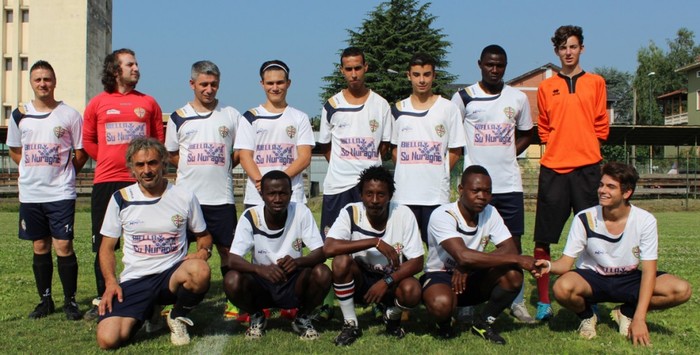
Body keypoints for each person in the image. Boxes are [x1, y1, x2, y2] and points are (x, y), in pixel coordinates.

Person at [535, 162, 691, 345]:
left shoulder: (645, 220)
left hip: (629, 278)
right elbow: (565, 263)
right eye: (601, 185)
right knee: (561, 288)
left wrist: (639, 318)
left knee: (681, 290)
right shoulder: (584, 218)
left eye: (611, 186)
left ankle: (626, 312)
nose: (602, 190)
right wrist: (549, 266)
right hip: (593, 278)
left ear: (627, 193)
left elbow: (649, 271)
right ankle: (587, 316)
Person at [95, 137, 212, 349]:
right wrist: (111, 283)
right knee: (108, 339)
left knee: (200, 270)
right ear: (132, 167)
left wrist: (203, 252)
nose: (147, 170)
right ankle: (150, 311)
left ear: (163, 163)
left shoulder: (183, 196)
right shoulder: (120, 198)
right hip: (136, 279)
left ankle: (177, 315)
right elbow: (106, 248)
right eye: (140, 164)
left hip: (171, 276)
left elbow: (204, 236)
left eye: (153, 163)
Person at [451, 44, 535, 323]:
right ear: (480, 64)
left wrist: (510, 151)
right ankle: (465, 301)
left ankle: (517, 301)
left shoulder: (518, 98)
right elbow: (453, 137)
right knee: (469, 241)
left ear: (505, 67)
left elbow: (527, 134)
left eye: (500, 65)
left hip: (508, 184)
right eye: (490, 65)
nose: (495, 70)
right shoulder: (463, 98)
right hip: (476, 187)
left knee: (513, 243)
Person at [533, 25, 609, 320]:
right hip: (553, 170)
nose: (568, 52)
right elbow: (544, 129)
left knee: (594, 236)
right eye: (563, 48)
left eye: (573, 47)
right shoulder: (545, 87)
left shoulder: (596, 83)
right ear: (556, 52)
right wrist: (560, 147)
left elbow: (601, 123)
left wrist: (585, 146)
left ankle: (592, 295)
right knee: (544, 237)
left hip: (588, 169)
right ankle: (542, 301)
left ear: (582, 49)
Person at [83, 48, 165, 320]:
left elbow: (157, 141)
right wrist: (110, 159)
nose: (136, 68)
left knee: (145, 237)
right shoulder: (97, 103)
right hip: (106, 181)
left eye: (137, 64)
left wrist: (135, 167)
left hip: (139, 182)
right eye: (130, 64)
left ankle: (152, 296)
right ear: (115, 70)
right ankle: (102, 298)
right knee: (105, 243)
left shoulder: (150, 103)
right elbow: (89, 142)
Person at [6, 60, 88, 320]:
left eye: (47, 79)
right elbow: (15, 150)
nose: (43, 84)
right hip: (31, 193)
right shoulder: (19, 115)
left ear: (55, 82)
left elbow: (81, 152)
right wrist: (32, 168)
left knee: (63, 246)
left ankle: (70, 302)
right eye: (38, 79)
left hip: (60, 193)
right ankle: (45, 301)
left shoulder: (70, 115)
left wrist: (64, 172)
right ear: (31, 82)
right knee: (39, 246)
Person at [421, 165, 538, 345]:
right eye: (476, 190)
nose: (482, 197)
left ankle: (483, 322)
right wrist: (518, 259)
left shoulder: (490, 212)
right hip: (441, 275)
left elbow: (509, 248)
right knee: (441, 304)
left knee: (513, 275)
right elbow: (463, 256)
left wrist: (469, 265)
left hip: (471, 276)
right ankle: (444, 324)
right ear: (461, 190)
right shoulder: (443, 215)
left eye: (487, 192)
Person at [317, 46, 393, 318]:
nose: (353, 74)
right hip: (338, 186)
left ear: (366, 67)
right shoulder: (332, 105)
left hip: (368, 190)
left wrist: (363, 172)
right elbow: (326, 147)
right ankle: (326, 302)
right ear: (342, 70)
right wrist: (343, 167)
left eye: (357, 68)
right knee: (331, 246)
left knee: (372, 243)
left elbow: (383, 146)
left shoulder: (381, 105)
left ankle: (379, 298)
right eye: (348, 69)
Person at [165, 60, 241, 319]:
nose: (209, 89)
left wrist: (221, 166)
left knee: (228, 251)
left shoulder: (231, 115)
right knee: (178, 250)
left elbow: (239, 152)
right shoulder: (178, 117)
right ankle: (170, 298)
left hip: (221, 197)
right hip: (187, 199)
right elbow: (173, 154)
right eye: (204, 84)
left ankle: (234, 300)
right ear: (192, 84)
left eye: (214, 84)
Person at [224, 170, 331, 341]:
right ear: (262, 194)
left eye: (283, 193)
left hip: (293, 282)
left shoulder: (301, 211)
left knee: (322, 272)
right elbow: (233, 259)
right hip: (262, 283)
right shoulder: (250, 216)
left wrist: (297, 262)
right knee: (232, 279)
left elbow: (320, 252)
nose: (278, 199)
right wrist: (260, 269)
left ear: (291, 193)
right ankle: (256, 315)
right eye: (272, 193)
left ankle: (303, 316)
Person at [323, 166, 424, 346]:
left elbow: (417, 262)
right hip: (360, 282)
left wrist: (386, 282)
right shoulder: (351, 212)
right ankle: (350, 323)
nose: (375, 200)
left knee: (413, 290)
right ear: (361, 195)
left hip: (391, 281)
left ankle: (392, 316)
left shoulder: (403, 214)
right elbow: (329, 247)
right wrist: (374, 242)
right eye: (369, 194)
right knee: (341, 261)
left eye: (381, 194)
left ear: (390, 196)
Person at [391, 52, 466, 242]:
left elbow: (456, 150)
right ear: (409, 75)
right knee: (404, 250)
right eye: (416, 75)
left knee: (436, 250)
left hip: (435, 196)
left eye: (426, 74)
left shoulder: (448, 108)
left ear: (434, 75)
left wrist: (439, 172)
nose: (422, 80)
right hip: (404, 195)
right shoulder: (398, 109)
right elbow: (394, 149)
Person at [236, 60, 315, 207]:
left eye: (280, 82)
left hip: (292, 196)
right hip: (257, 197)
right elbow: (245, 156)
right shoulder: (250, 117)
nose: (275, 88)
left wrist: (279, 182)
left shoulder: (300, 117)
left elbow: (305, 157)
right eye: (270, 83)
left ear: (288, 83)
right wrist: (263, 184)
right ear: (262, 84)